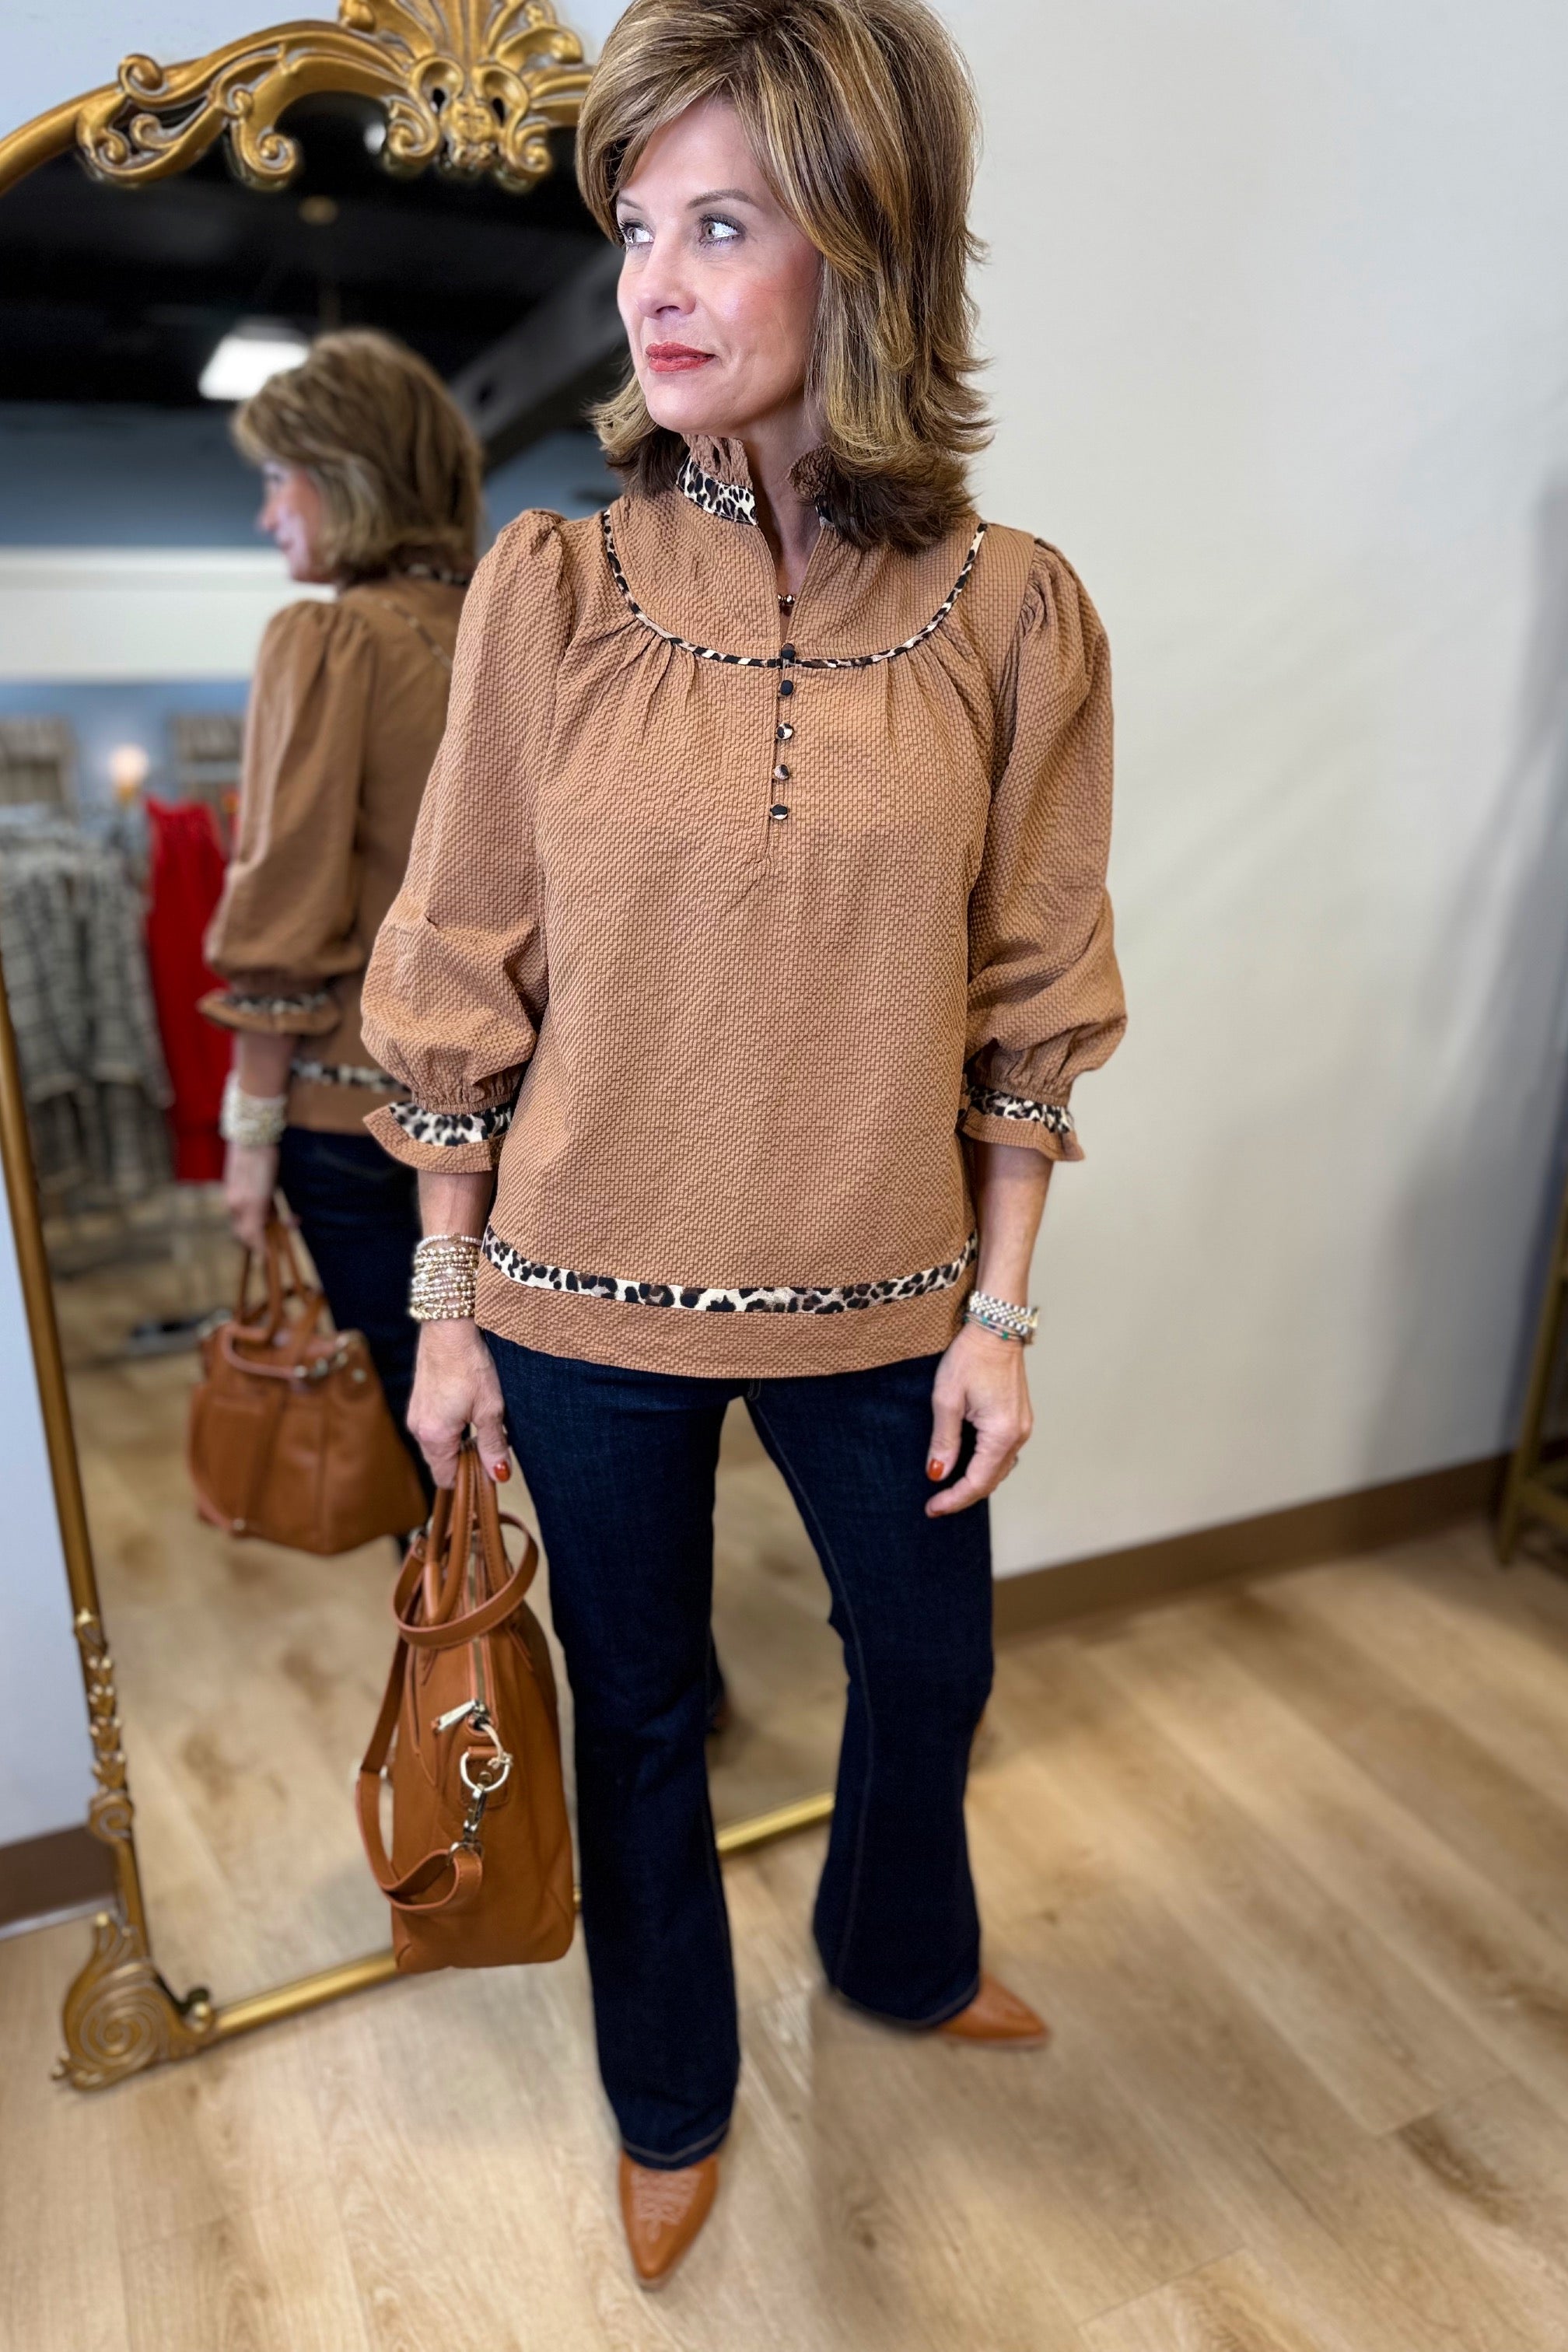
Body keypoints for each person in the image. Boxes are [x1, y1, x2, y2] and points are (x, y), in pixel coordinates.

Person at [361, 0, 1125, 2287]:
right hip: (575, 1302)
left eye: (723, 226)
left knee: (935, 1670)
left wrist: (1000, 1316)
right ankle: (671, 2096)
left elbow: (1030, 992)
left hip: (890, 1298)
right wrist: (445, 1310)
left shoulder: (1013, 611)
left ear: (864, 252)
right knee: (643, 1714)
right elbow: (458, 959)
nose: (656, 286)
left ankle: (897, 1954)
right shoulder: (550, 590)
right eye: (636, 230)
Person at [201, 329, 480, 1494]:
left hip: (353, 1116)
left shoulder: (330, 640)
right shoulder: (516, 631)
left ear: (346, 473)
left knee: (424, 1444)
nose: (267, 513)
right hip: (515, 1114)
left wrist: (250, 1133)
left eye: (279, 478)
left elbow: (284, 902)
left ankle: (453, 1617)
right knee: (536, 1428)